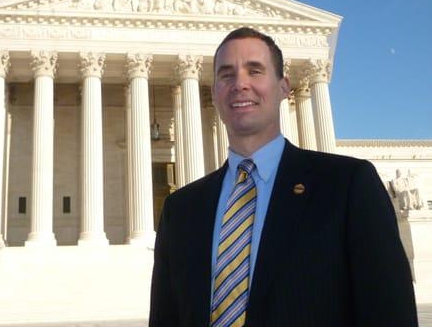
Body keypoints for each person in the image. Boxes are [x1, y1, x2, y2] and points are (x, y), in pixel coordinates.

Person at [149, 27, 417, 326]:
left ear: (283, 87)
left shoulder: (347, 186)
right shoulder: (180, 209)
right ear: (214, 93)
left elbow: (390, 314)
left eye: (255, 71)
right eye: (226, 74)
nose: (240, 84)